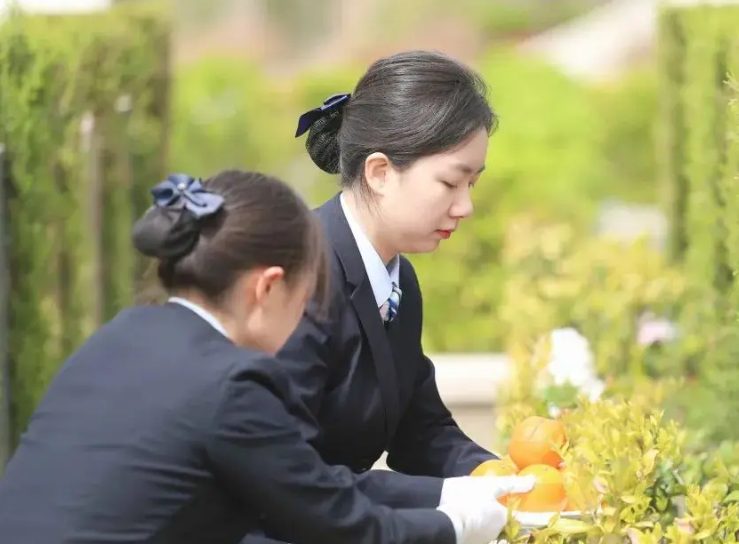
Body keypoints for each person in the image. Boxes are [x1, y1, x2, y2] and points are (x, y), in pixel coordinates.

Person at [0, 170, 532, 544]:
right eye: (308, 298)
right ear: (268, 288)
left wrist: (464, 489)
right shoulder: (232, 383)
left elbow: (318, 489)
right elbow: (340, 525)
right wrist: (459, 526)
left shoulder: (122, 335)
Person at [251, 50, 505, 537]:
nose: (466, 205)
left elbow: (421, 430)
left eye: (472, 183)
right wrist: (451, 501)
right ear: (380, 172)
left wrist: (506, 480)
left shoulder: (397, 279)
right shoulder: (297, 279)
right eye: (451, 181)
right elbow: (289, 475)